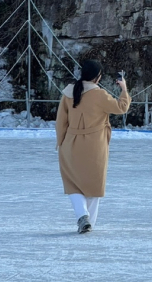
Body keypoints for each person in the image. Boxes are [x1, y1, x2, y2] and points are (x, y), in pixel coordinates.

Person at [55, 59, 130, 233]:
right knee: (94, 185)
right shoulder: (100, 95)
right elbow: (121, 107)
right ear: (98, 77)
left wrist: (61, 143)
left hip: (70, 143)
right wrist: (124, 89)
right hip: (95, 145)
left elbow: (61, 121)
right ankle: (89, 223)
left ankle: (82, 216)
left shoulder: (68, 92)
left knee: (72, 183)